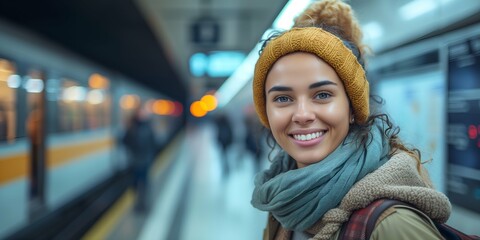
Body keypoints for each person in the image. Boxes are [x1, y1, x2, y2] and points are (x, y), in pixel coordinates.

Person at [250, 1, 451, 239]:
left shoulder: (392, 225)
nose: (302, 114)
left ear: (352, 108)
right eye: (283, 98)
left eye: (322, 95)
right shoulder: (284, 199)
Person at [123, 103, 157, 213]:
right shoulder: (132, 127)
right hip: (135, 160)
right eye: (140, 112)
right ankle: (138, 204)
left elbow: (153, 142)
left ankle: (143, 204)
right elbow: (125, 141)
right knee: (135, 183)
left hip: (146, 160)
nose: (142, 114)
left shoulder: (148, 126)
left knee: (145, 183)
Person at [214, 113, 234, 178]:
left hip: (223, 143)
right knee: (226, 156)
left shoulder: (219, 124)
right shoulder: (226, 123)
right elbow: (230, 133)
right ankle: (227, 168)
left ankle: (225, 168)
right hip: (226, 142)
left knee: (223, 156)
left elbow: (218, 134)